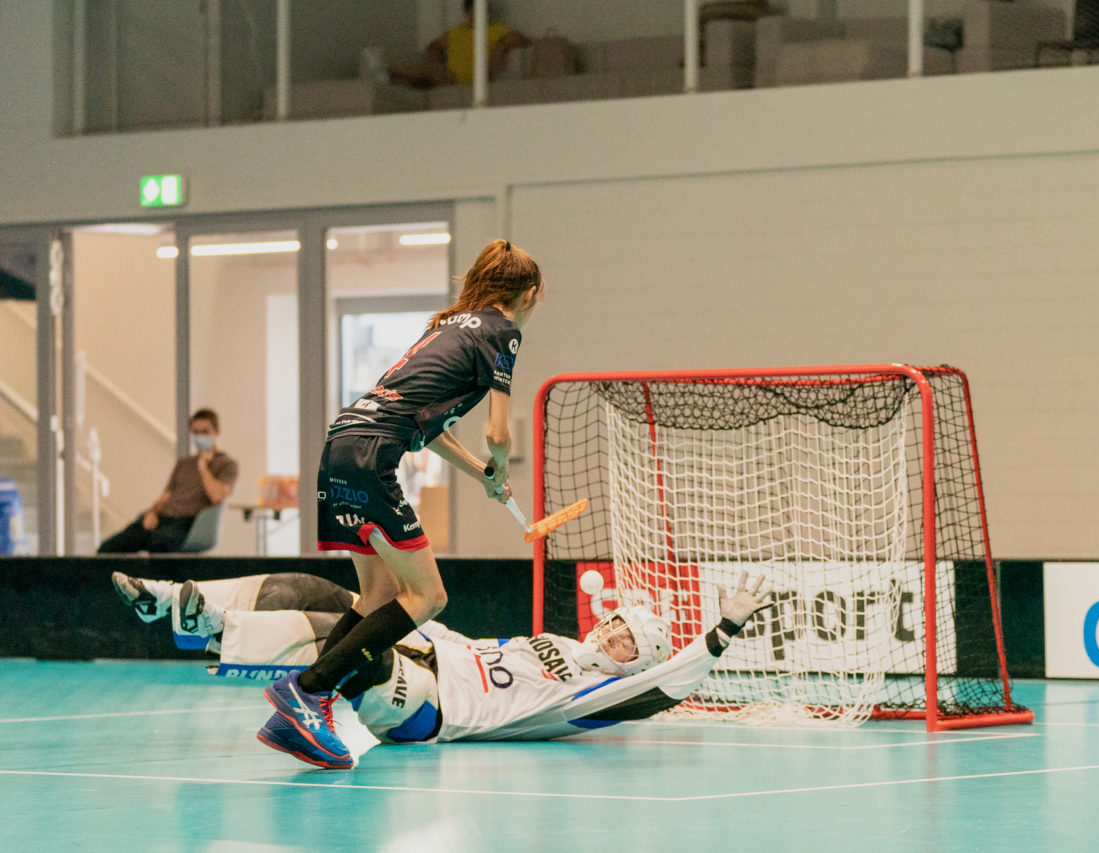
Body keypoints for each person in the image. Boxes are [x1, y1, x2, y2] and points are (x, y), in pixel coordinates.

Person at [259, 239, 544, 769]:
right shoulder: (504, 332)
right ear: (529, 294)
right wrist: (499, 464)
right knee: (428, 596)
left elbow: (430, 432)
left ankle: (301, 709)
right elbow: (499, 431)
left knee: (382, 592)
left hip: (342, 444)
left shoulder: (446, 325)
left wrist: (481, 474)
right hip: (371, 456)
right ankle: (308, 691)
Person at [111, 570, 774, 768]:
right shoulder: (549, 638)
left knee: (347, 646)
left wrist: (724, 630)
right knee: (328, 595)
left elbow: (662, 691)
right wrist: (405, 609)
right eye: (616, 621)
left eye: (629, 640)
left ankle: (224, 634)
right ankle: (181, 604)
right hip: (430, 654)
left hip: (429, 710)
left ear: (638, 663)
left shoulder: (586, 695)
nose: (612, 633)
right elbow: (465, 642)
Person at [97, 409, 238, 554]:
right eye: (196, 432)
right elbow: (166, 496)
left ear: (216, 432)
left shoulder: (227, 464)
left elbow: (217, 496)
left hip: (186, 523)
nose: (200, 436)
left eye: (205, 432)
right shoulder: (184, 463)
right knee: (109, 549)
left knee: (158, 545)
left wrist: (203, 468)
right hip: (162, 519)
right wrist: (152, 513)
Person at [389, 0, 532, 89]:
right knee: (403, 72)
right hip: (447, 74)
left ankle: (413, 79)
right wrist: (434, 59)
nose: (481, 14)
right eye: (475, 11)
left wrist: (500, 46)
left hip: (470, 78)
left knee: (415, 74)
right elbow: (434, 46)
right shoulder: (457, 31)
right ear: (467, 12)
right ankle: (411, 80)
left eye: (486, 10)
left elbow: (525, 41)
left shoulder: (497, 29)